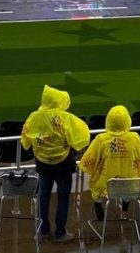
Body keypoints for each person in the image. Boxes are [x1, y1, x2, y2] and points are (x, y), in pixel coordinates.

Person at [21, 85, 90, 243]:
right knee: (63, 197)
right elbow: (82, 136)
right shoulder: (66, 118)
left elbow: (26, 138)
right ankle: (60, 232)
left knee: (43, 196)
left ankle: (43, 230)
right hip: (64, 164)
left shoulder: (34, 116)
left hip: (43, 164)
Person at [79, 105, 140, 221]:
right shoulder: (134, 138)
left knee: (95, 187)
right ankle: (124, 212)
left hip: (106, 185)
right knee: (129, 187)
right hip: (130, 184)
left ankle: (98, 206)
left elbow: (88, 162)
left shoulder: (101, 139)